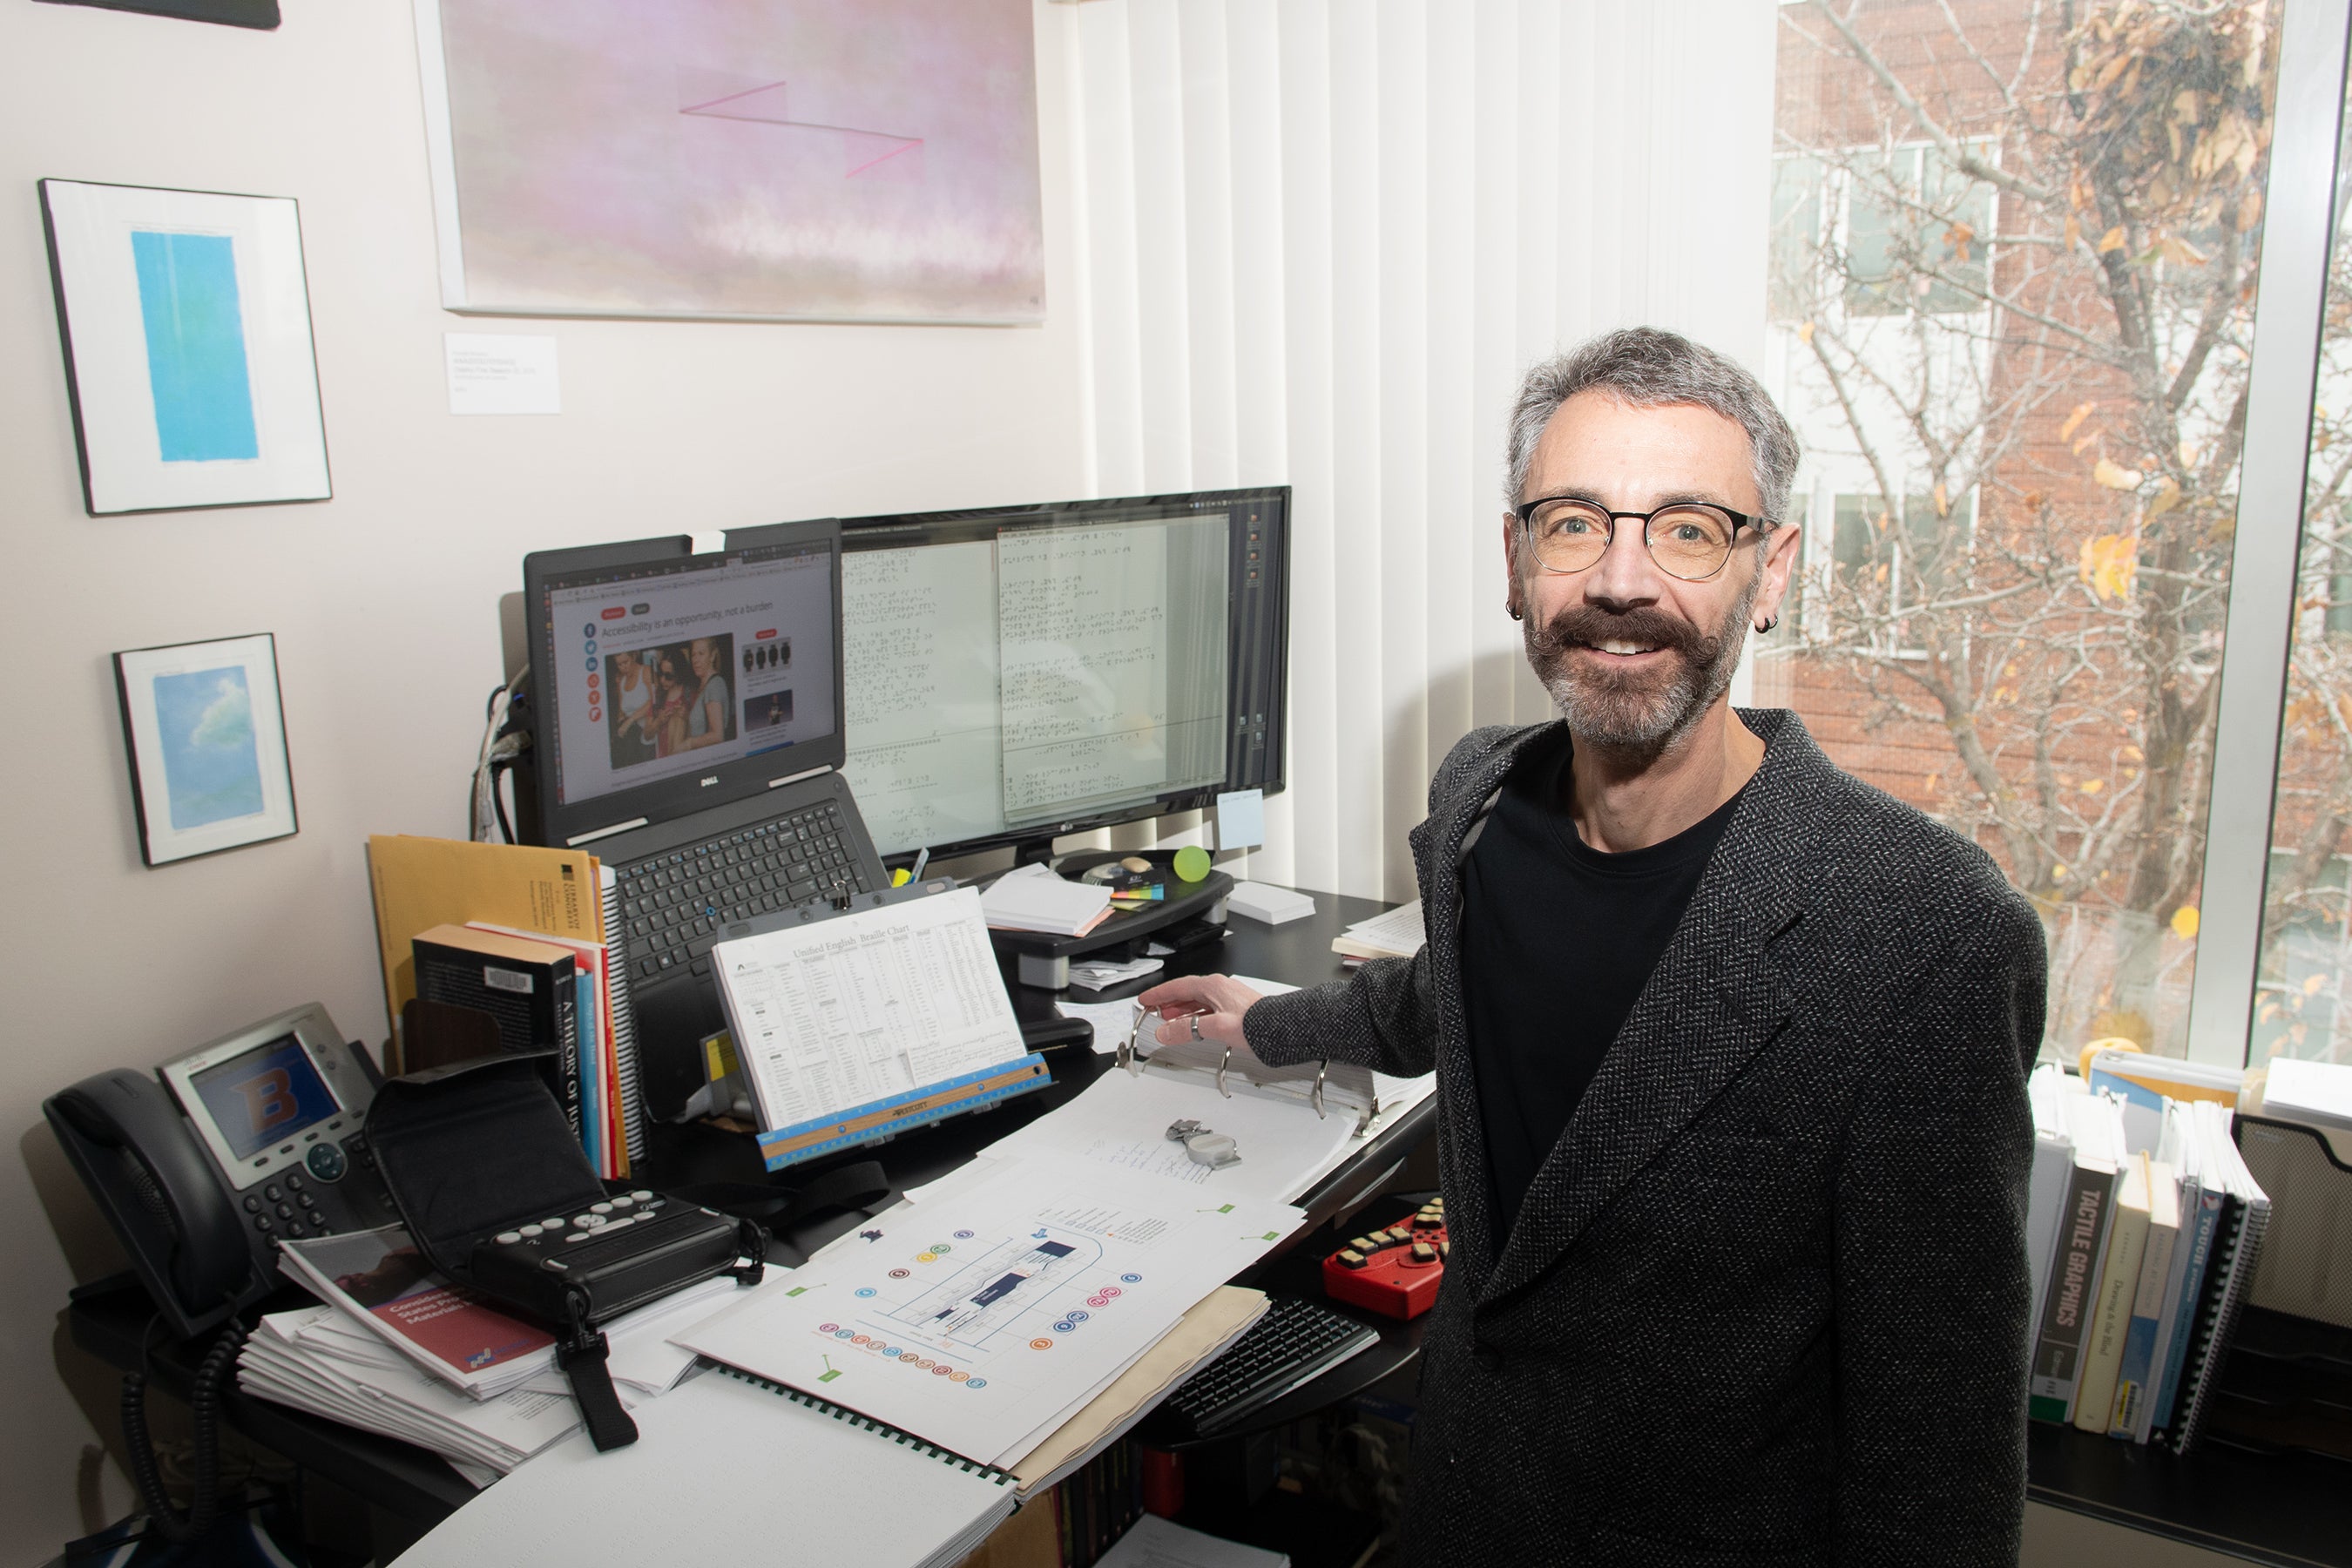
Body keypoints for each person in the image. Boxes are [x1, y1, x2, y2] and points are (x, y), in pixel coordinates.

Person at [1140, 327, 2044, 1565]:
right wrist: (1260, 1022)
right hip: (1461, 1499)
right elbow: (1449, 1003)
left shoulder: (1924, 936)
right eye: (1574, 522)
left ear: (1770, 571)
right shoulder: (1472, 803)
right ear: (1515, 561)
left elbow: (1936, 1446)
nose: (1622, 582)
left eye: (1686, 527)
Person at [674, 636, 733, 752]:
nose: (695, 660)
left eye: (701, 654)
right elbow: (703, 723)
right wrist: (687, 715)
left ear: (712, 655)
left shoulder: (715, 684)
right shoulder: (703, 685)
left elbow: (717, 736)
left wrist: (687, 744)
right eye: (693, 655)